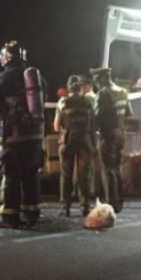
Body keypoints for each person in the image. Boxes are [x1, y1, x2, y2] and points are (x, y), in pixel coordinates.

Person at [0, 40, 45, 228]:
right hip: (34, 138)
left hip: (12, 138)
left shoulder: (1, 79)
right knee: (31, 175)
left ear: (7, 57)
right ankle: (32, 214)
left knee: (11, 176)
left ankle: (10, 216)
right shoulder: (35, 78)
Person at [90, 67, 132, 213]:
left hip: (107, 136)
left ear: (101, 79)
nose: (95, 84)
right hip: (120, 134)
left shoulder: (103, 94)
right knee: (116, 167)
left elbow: (96, 117)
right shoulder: (122, 92)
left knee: (108, 169)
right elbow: (128, 113)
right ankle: (119, 200)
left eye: (96, 80)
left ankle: (111, 203)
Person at [53, 75, 95, 217]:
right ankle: (85, 207)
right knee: (84, 176)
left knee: (66, 174)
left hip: (67, 142)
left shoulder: (63, 102)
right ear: (80, 87)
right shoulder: (89, 101)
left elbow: (56, 126)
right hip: (85, 141)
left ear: (68, 87)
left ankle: (65, 207)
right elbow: (94, 124)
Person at [81, 76, 103, 199]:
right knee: (96, 163)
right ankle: (96, 189)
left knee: (90, 163)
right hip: (96, 133)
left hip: (90, 133)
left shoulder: (88, 99)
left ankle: (92, 190)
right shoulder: (96, 97)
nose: (81, 89)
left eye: (83, 86)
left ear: (88, 86)